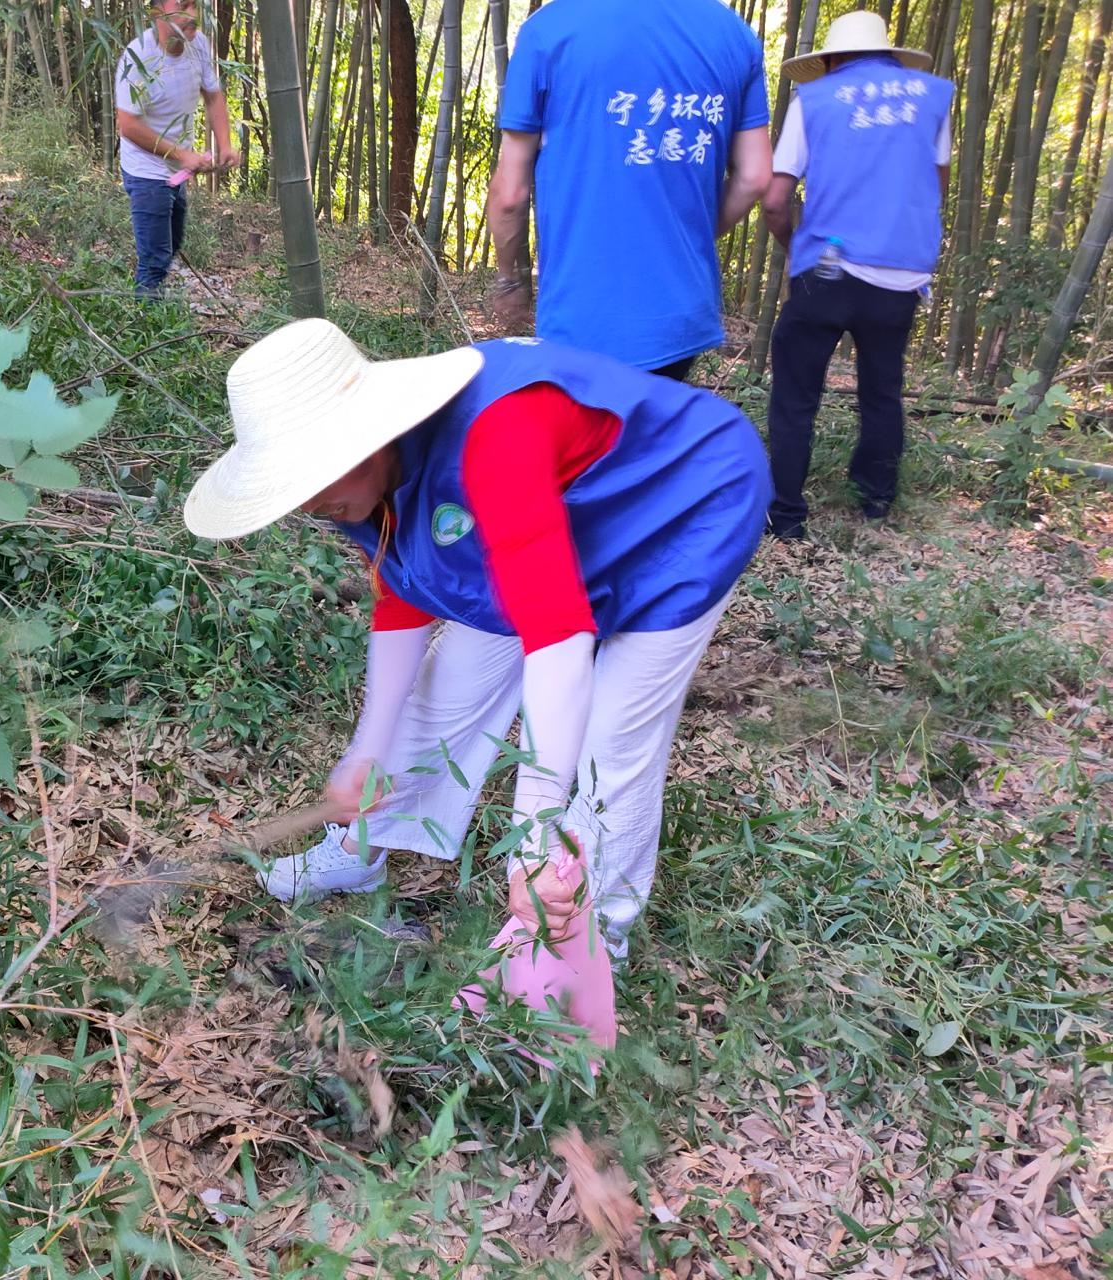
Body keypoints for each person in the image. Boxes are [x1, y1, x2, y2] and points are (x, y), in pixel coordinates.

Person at [183, 319, 770, 1033]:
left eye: (310, 481)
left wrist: (533, 838)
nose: (307, 506)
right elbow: (402, 593)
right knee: (446, 689)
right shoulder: (356, 480)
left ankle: (578, 933)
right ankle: (362, 847)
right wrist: (365, 750)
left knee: (611, 740)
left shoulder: (497, 438)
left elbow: (556, 645)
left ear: (366, 434)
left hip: (686, 502)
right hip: (560, 520)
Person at [485, 0, 773, 379]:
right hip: (680, 316)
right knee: (651, 430)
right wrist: (688, 233)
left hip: (581, 313)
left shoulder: (550, 28)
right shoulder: (734, 33)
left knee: (591, 435)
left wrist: (510, 282)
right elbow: (755, 175)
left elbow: (510, 194)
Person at [761, 12, 953, 539]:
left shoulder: (814, 101)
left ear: (830, 59)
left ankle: (788, 516)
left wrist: (796, 251)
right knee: (882, 389)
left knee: (796, 394)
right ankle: (875, 503)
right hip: (900, 274)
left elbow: (776, 201)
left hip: (829, 268)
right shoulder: (931, 97)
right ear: (888, 53)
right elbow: (936, 186)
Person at [114, 0, 235, 297]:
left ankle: (155, 313)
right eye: (182, 5)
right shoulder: (138, 57)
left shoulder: (199, 45)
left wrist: (225, 144)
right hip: (145, 172)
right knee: (154, 262)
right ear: (157, 14)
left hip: (178, 170)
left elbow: (213, 95)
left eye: (194, 4)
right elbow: (127, 125)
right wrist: (182, 155)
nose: (192, 14)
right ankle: (145, 331)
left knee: (172, 245)